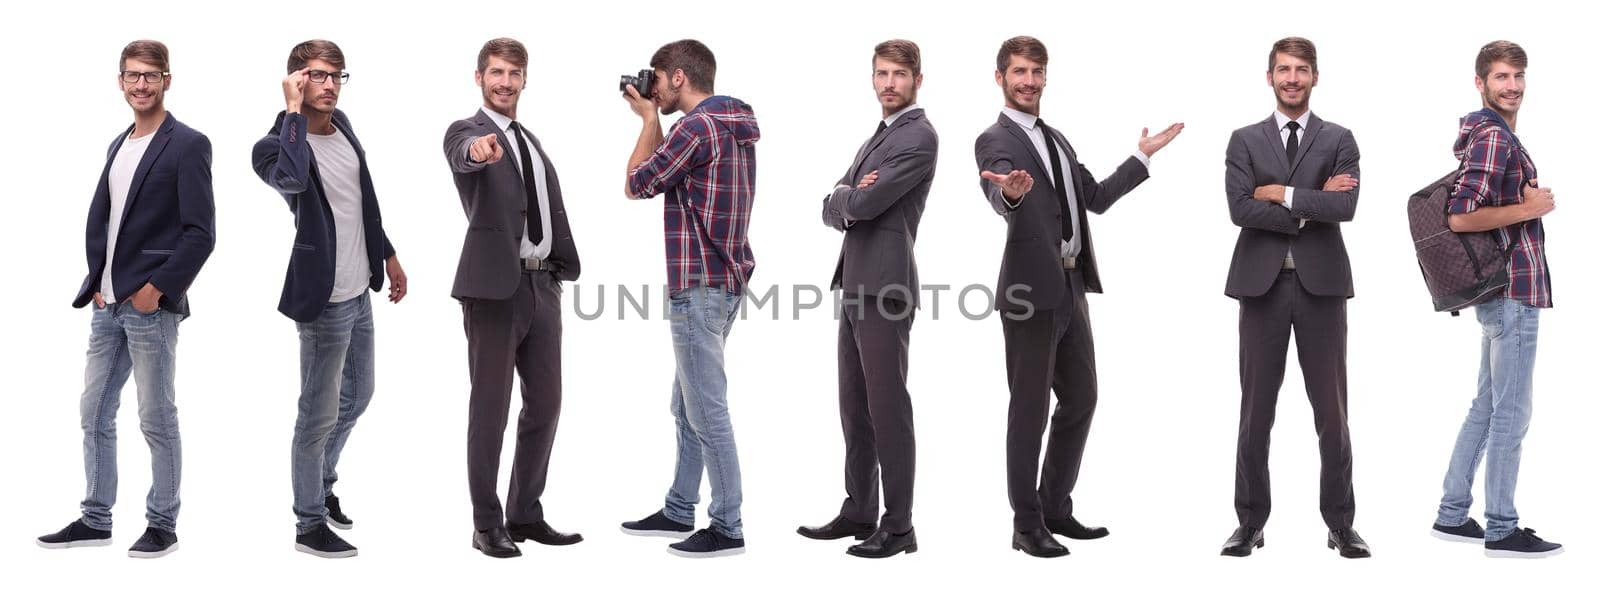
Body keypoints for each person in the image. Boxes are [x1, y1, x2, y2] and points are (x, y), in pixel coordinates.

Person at [974, 35, 1182, 558]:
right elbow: (999, 190)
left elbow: (1095, 199)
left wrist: (1142, 156)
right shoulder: (993, 139)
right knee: (1028, 409)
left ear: (1046, 77)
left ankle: (1054, 507)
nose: (1028, 81)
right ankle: (1025, 525)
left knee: (1083, 397)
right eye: (1018, 72)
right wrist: (1010, 194)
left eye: (1036, 72)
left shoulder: (1058, 140)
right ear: (1000, 78)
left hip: (1071, 284)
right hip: (1027, 289)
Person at [36, 39, 216, 559]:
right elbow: (112, 220)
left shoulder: (187, 144)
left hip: (148, 306)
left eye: (151, 75)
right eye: (132, 75)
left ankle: (163, 523)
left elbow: (200, 233)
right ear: (120, 81)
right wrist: (99, 281)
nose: (141, 84)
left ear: (167, 80)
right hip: (107, 304)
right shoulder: (118, 143)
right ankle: (96, 517)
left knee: (156, 417)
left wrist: (156, 290)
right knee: (93, 411)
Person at [251, 39, 407, 559]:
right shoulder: (272, 146)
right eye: (317, 76)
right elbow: (293, 179)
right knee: (314, 415)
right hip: (322, 300)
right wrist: (292, 112)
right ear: (295, 79)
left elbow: (363, 197)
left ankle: (321, 484)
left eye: (337, 76)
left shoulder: (345, 130)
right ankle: (308, 521)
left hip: (359, 287)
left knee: (359, 395)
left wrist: (386, 253)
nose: (330, 86)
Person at [1219, 36, 1369, 559]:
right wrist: (1313, 203)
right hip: (1260, 288)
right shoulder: (1244, 140)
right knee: (1256, 411)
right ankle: (1249, 522)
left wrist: (1281, 195)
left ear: (1314, 77)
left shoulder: (1339, 137)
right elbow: (1239, 210)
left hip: (1321, 288)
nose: (1292, 78)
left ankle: (1341, 523)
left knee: (1332, 411)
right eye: (1283, 69)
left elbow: (1345, 206)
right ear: (1270, 77)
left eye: (1301, 70)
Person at [443, 37, 584, 559]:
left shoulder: (531, 140)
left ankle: (525, 512)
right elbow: (463, 155)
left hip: (543, 285)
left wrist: (559, 268)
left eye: (514, 74)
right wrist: (477, 153)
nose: (505, 82)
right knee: (491, 407)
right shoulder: (468, 131)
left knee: (546, 403)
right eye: (496, 72)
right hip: (493, 290)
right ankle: (486, 524)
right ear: (479, 77)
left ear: (525, 80)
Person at [618, 39, 759, 559]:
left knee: (706, 409)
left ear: (678, 77)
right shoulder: (736, 124)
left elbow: (637, 183)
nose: (652, 86)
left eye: (657, 77)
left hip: (698, 284)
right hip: (725, 281)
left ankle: (727, 524)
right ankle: (680, 506)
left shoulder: (696, 129)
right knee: (686, 403)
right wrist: (654, 113)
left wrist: (645, 118)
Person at [799, 39, 936, 559]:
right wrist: (844, 195)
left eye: (899, 74)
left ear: (918, 80)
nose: (889, 84)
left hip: (886, 287)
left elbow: (867, 200)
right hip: (855, 284)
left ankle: (899, 525)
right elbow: (839, 200)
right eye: (881, 73)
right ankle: (860, 509)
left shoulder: (919, 136)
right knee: (855, 408)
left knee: (887, 407)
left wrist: (847, 195)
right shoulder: (881, 135)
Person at [1429, 40, 1563, 559]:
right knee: (1512, 411)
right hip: (1512, 291)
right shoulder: (1493, 139)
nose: (1512, 86)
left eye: (1518, 76)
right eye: (1501, 77)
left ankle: (1451, 513)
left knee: (1487, 405)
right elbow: (1460, 216)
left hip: (1501, 294)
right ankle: (1502, 527)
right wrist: (1532, 207)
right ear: (1480, 82)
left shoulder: (1491, 135)